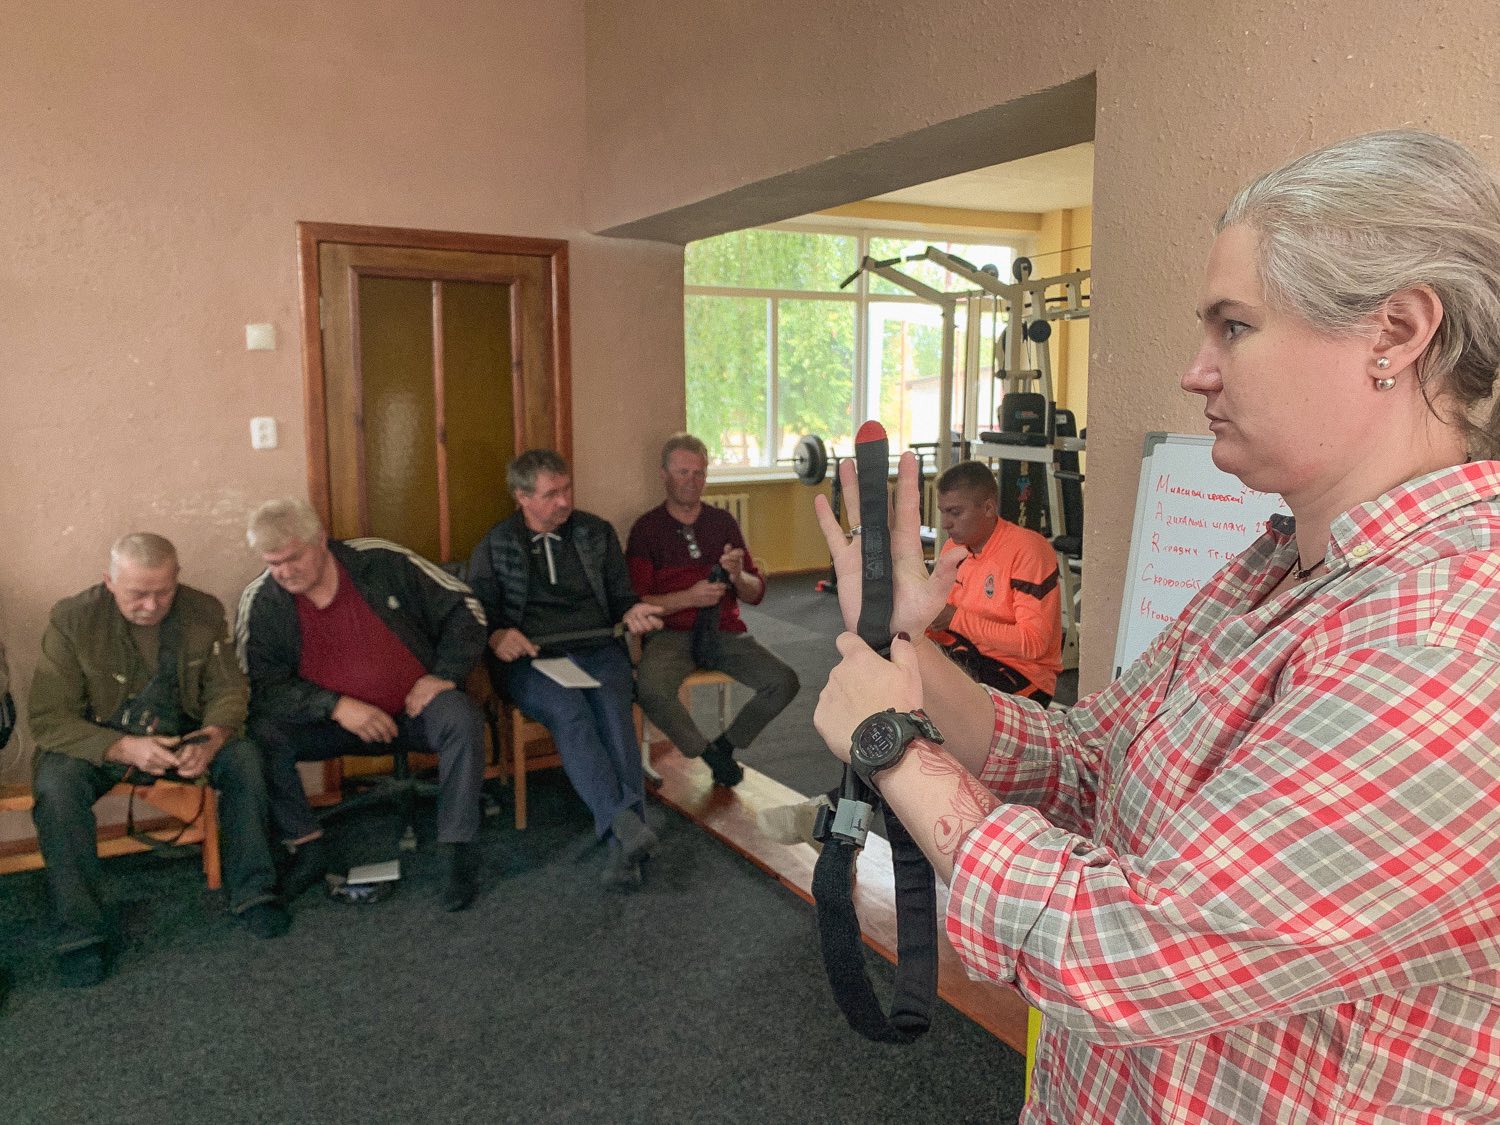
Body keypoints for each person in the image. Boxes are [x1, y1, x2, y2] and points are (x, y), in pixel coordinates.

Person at [811, 130, 1500, 1123]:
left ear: (1395, 333)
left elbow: (1123, 952)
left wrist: (893, 747)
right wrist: (904, 646)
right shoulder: (1276, 567)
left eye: (1235, 327)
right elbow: (1088, 764)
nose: (1196, 371)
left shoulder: (1447, 645)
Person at [29, 533, 288, 987]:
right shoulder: (72, 620)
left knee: (244, 758)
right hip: (99, 741)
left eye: (163, 592)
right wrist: (120, 747)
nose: (151, 606)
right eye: (137, 594)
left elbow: (228, 689)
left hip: (183, 735)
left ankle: (255, 891)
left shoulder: (203, 611)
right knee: (55, 787)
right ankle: (81, 933)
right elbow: (48, 718)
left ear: (177, 578)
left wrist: (212, 738)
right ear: (109, 581)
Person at [238, 500, 488, 912]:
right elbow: (265, 688)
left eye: (293, 558)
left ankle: (457, 850)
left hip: (414, 710)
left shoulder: (381, 561)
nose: (284, 572)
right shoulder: (263, 601)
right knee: (262, 735)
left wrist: (442, 675)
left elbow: (466, 608)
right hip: (329, 723)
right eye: (273, 563)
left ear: (321, 539)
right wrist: (335, 706)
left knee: (461, 718)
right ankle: (306, 847)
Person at [467, 450, 664, 889]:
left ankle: (623, 839)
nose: (564, 501)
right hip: (533, 659)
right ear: (522, 497)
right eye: (551, 494)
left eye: (566, 489)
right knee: (568, 710)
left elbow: (621, 595)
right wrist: (497, 636)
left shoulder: (596, 533)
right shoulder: (496, 545)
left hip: (598, 647)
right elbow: (477, 613)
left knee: (614, 711)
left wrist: (632, 611)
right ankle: (625, 823)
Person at [626, 433, 799, 786]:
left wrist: (737, 576)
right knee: (650, 688)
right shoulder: (647, 529)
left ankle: (726, 744)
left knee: (783, 681)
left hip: (722, 630)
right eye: (683, 472)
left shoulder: (722, 523)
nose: (692, 481)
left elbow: (755, 593)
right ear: (664, 474)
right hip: (669, 635)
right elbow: (637, 601)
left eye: (699, 473)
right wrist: (689, 597)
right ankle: (706, 753)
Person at [925, 460, 1062, 706]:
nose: (945, 523)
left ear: (988, 508)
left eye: (955, 513)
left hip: (1020, 671)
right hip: (968, 651)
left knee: (943, 704)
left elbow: (1033, 643)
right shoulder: (953, 548)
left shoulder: (1028, 551)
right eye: (943, 511)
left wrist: (955, 619)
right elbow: (941, 617)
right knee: (894, 666)